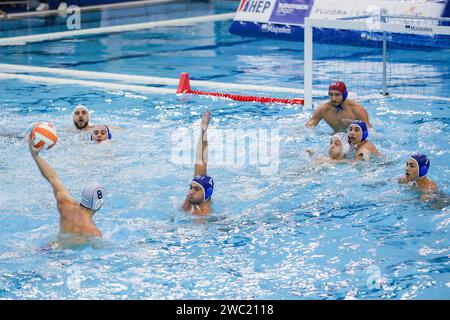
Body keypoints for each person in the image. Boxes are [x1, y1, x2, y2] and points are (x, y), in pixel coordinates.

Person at [29, 135, 105, 237]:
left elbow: (52, 178)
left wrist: (35, 156)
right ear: (99, 204)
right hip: (68, 253)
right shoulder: (93, 231)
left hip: (50, 247)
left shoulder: (64, 203)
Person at [306, 81, 373, 133]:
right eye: (331, 95)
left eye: (337, 95)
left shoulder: (356, 109)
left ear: (344, 95)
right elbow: (308, 127)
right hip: (335, 139)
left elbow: (370, 132)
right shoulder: (323, 109)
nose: (333, 99)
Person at [182, 110, 214, 215]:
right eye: (191, 187)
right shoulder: (189, 205)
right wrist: (204, 130)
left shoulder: (210, 219)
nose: (191, 192)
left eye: (196, 189)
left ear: (206, 194)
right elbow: (201, 161)